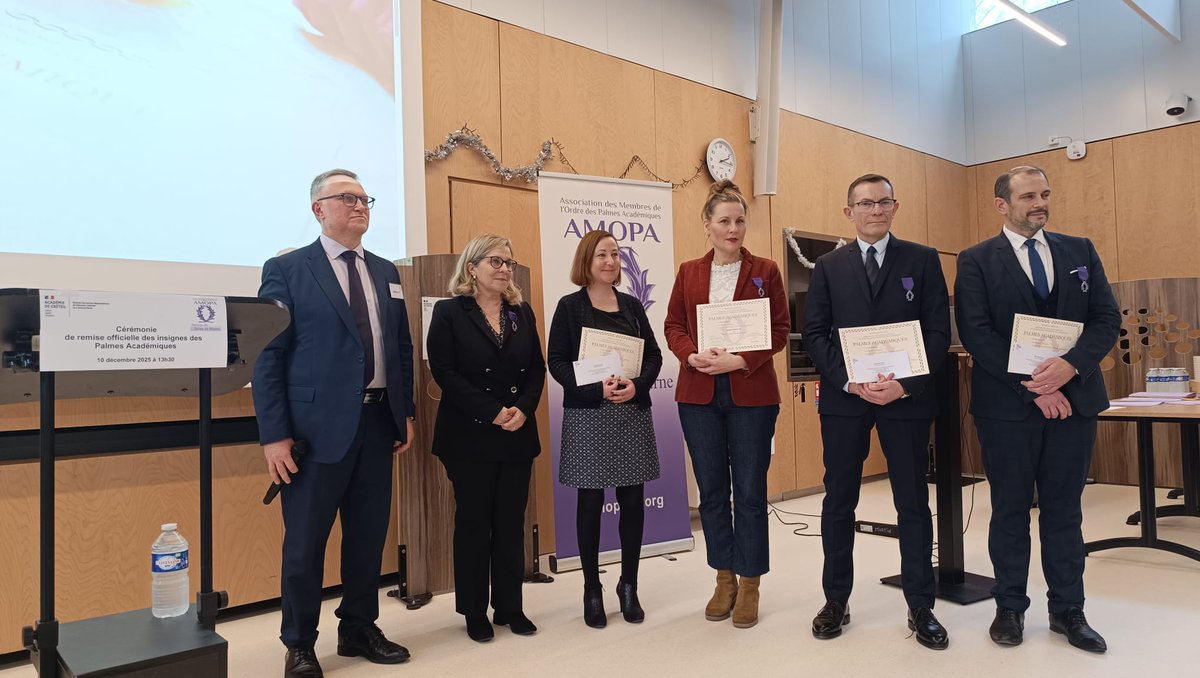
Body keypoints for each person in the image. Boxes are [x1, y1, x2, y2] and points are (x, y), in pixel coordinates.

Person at [254, 169, 415, 677]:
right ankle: (299, 643)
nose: (359, 205)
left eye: (365, 198)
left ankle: (359, 628)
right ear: (318, 209)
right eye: (347, 198)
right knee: (305, 544)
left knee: (367, 537)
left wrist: (405, 411)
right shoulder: (287, 269)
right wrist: (275, 436)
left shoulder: (386, 271)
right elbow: (267, 356)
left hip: (377, 423)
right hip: (312, 432)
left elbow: (401, 347)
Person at [955, 166, 1119, 653]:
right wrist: (1036, 388)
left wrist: (1069, 367)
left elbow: (1105, 318)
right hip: (1007, 409)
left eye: (1044, 194)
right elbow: (977, 332)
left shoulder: (1079, 250)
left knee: (1064, 512)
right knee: (1009, 510)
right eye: (1028, 196)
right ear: (1001, 204)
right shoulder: (975, 260)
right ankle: (1009, 607)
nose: (1039, 203)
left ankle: (1068, 610)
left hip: (1074, 402)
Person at [801, 174, 951, 650]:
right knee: (838, 501)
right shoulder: (828, 266)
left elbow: (937, 333)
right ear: (849, 212)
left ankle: (920, 605)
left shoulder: (922, 259)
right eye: (865, 204)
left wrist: (904, 385)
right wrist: (850, 380)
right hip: (846, 400)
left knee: (912, 502)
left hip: (905, 400)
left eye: (884, 202)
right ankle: (835, 600)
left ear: (895, 206)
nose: (875, 210)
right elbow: (815, 333)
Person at [663, 180, 789, 629]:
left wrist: (741, 359)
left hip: (750, 393)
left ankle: (750, 582)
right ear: (707, 225)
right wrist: (689, 355)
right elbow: (673, 325)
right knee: (712, 491)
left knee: (750, 492)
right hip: (698, 395)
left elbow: (779, 329)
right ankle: (724, 577)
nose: (733, 229)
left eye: (739, 221)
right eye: (724, 221)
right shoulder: (688, 272)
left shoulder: (766, 270)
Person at [426, 235, 546, 643]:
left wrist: (523, 409)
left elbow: (536, 368)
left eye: (509, 262)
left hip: (516, 432)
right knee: (475, 524)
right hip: (469, 435)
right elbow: (444, 371)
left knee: (511, 523)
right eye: (495, 261)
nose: (505, 269)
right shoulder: (449, 312)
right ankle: (474, 610)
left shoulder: (520, 311)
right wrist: (492, 411)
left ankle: (510, 607)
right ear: (471, 267)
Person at [547, 230, 664, 629]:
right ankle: (591, 588)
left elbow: (653, 355)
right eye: (602, 254)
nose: (611, 261)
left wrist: (638, 385)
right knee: (590, 503)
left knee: (632, 502)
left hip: (630, 412)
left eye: (615, 254)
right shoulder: (569, 306)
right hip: (589, 414)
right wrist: (595, 388)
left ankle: (628, 585)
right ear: (587, 260)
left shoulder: (632, 305)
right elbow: (556, 361)